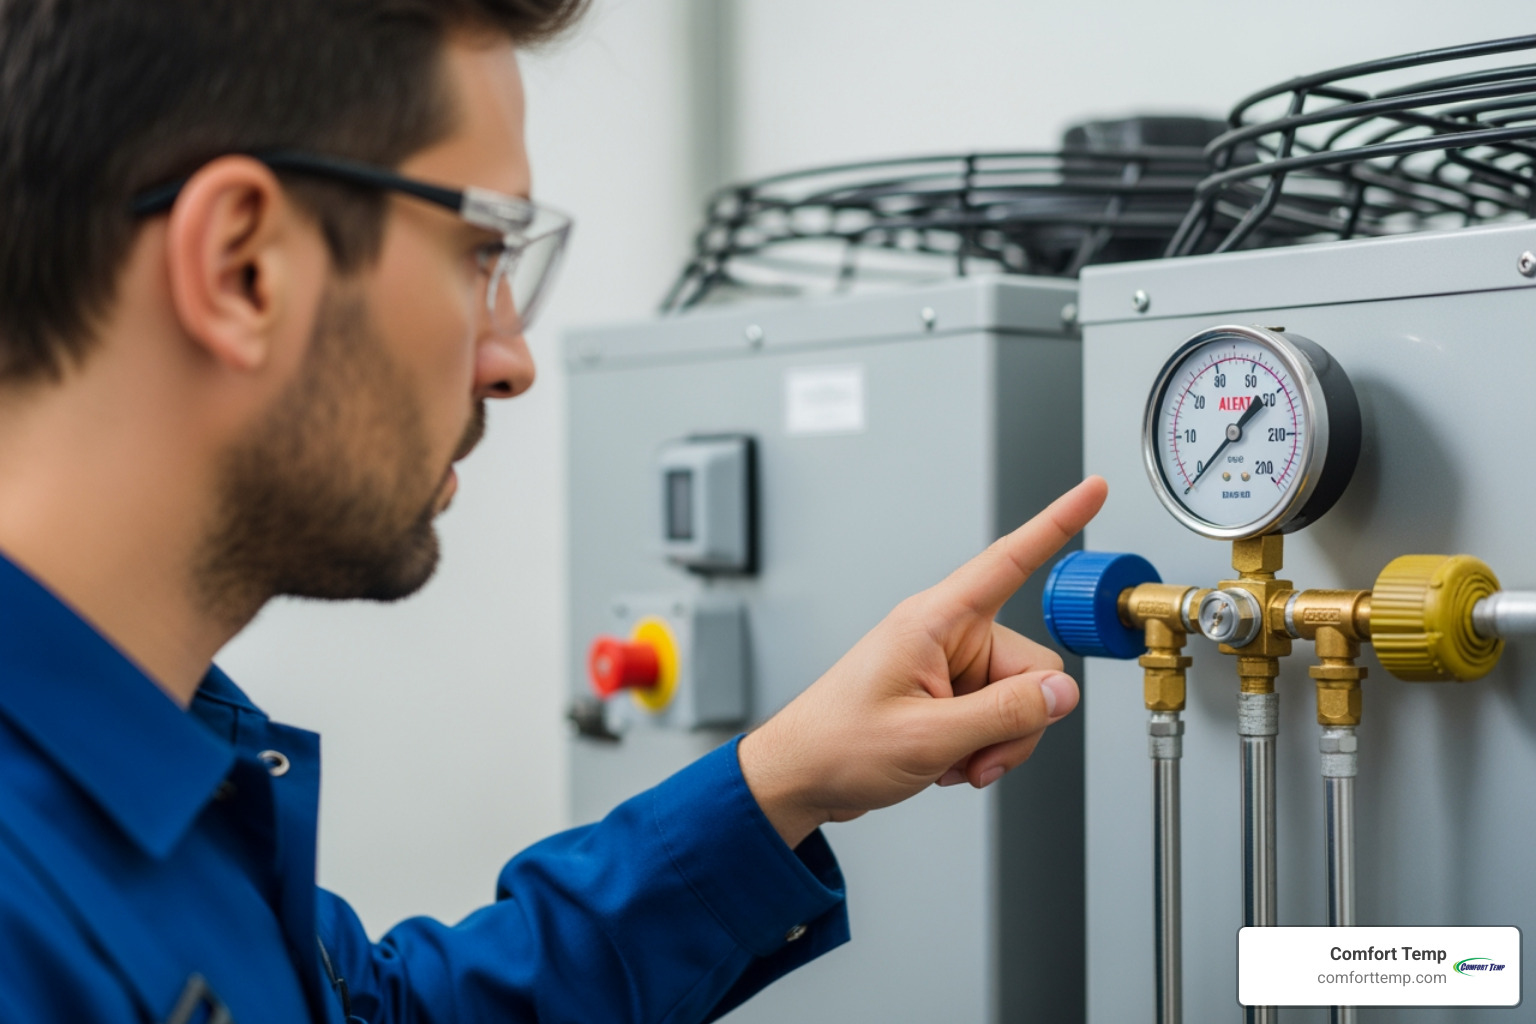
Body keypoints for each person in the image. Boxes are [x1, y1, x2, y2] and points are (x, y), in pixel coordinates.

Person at [0, 1, 1108, 1021]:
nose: (512, 360)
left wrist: (781, 781)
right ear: (241, 267)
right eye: (482, 250)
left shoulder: (168, 747)